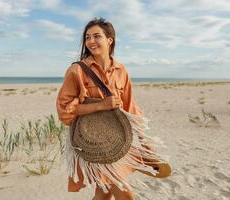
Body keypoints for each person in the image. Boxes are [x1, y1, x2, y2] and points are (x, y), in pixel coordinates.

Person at [56, 17, 170, 200]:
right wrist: (100, 106)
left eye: (96, 36)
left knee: (104, 193)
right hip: (91, 143)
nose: (91, 42)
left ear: (110, 40)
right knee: (125, 194)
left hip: (117, 141)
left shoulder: (121, 70)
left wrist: (145, 143)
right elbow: (64, 111)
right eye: (87, 37)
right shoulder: (76, 71)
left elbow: (131, 108)